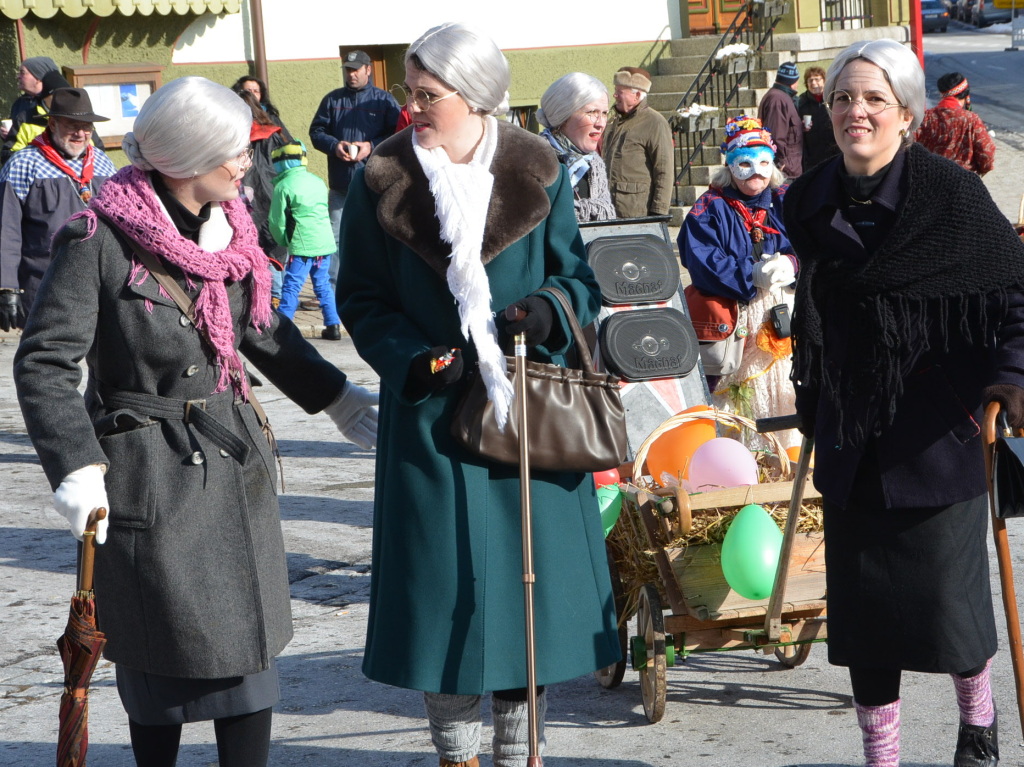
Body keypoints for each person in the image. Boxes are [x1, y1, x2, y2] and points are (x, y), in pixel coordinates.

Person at [13, 76, 379, 767]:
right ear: (187, 156)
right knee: (162, 669)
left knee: (248, 669)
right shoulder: (97, 237)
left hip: (233, 464)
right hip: (150, 475)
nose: (247, 164)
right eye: (235, 151)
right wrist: (77, 464)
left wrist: (337, 396)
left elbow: (263, 332)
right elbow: (44, 363)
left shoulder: (233, 232)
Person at [336, 22, 620, 767]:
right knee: (441, 597)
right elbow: (360, 298)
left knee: (529, 602)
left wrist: (549, 309)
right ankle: (456, 755)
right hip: (431, 420)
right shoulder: (383, 178)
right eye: (410, 91)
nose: (414, 106)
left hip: (529, 415)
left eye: (428, 94)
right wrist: (415, 359)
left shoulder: (539, 168)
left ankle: (522, 752)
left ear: (476, 95)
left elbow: (581, 281)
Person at [784, 39, 1024, 767]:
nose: (857, 112)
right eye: (845, 98)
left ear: (907, 114)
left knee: (951, 610)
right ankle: (880, 756)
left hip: (937, 433)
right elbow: (816, 307)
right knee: (865, 624)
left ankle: (977, 723)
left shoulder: (949, 196)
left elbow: (1013, 292)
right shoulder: (807, 198)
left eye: (874, 100)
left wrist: (1011, 379)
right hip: (852, 432)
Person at [678, 115, 799, 451]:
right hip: (735, 320)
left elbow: (815, 244)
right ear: (729, 165)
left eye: (763, 162)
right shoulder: (709, 207)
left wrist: (792, 263)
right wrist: (750, 274)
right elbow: (700, 259)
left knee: (785, 388)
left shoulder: (787, 199)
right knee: (735, 392)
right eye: (745, 164)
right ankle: (738, 462)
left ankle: (784, 458)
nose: (756, 172)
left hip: (783, 313)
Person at [0, 87, 117, 328]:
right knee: (48, 361)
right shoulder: (23, 163)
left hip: (99, 286)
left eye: (86, 127)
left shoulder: (103, 163)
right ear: (52, 124)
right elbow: (6, 230)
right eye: (71, 125)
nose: (80, 133)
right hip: (45, 286)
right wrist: (6, 286)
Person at [308, 49, 401, 298]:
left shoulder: (384, 101)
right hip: (341, 185)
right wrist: (334, 146)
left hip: (374, 184)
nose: (351, 75)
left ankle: (381, 290)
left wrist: (370, 146)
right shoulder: (332, 100)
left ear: (368, 70)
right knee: (336, 240)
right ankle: (335, 294)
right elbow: (316, 131)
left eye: (356, 70)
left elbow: (398, 135)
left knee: (377, 237)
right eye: (348, 70)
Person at [268, 140, 341, 337]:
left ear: (281, 162)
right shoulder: (317, 181)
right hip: (324, 244)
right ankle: (333, 326)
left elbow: (276, 222)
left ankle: (282, 329)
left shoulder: (283, 186)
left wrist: (283, 241)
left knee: (292, 285)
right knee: (323, 285)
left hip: (302, 245)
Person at [536, 72, 615, 223]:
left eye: (604, 113)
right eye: (592, 112)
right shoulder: (537, 162)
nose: (601, 123)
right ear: (563, 116)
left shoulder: (595, 164)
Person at [237, 89, 289, 307]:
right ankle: (275, 295)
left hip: (249, 195)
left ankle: (263, 295)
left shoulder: (236, 135)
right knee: (271, 243)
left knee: (253, 245)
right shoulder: (274, 133)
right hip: (273, 192)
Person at [601, 66, 674, 218]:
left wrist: (658, 213)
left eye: (620, 91)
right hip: (609, 210)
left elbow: (664, 171)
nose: (614, 95)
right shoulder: (612, 121)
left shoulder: (655, 122)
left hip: (637, 212)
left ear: (637, 95)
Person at [914, 72, 995, 176]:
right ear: (966, 96)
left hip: (932, 182)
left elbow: (911, 148)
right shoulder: (971, 120)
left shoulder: (926, 118)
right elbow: (987, 153)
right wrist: (981, 170)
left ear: (941, 94)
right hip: (965, 183)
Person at [3, 56, 59, 164]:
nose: (17, 76)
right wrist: (9, 135)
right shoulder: (20, 102)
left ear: (38, 77)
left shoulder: (57, 103)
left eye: (22, 73)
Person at [758, 61, 804, 178]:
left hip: (789, 169)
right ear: (793, 81)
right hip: (785, 172)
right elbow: (775, 135)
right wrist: (780, 163)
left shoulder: (780, 97)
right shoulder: (778, 99)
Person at [797, 66, 838, 171]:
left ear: (824, 81)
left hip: (834, 151)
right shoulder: (801, 102)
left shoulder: (833, 98)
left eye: (817, 79)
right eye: (810, 80)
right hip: (812, 153)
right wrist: (800, 126)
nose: (814, 83)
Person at [231, 75, 292, 140]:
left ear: (261, 95)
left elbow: (287, 140)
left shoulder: (270, 116)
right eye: (248, 91)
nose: (252, 94)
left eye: (256, 91)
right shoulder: (232, 115)